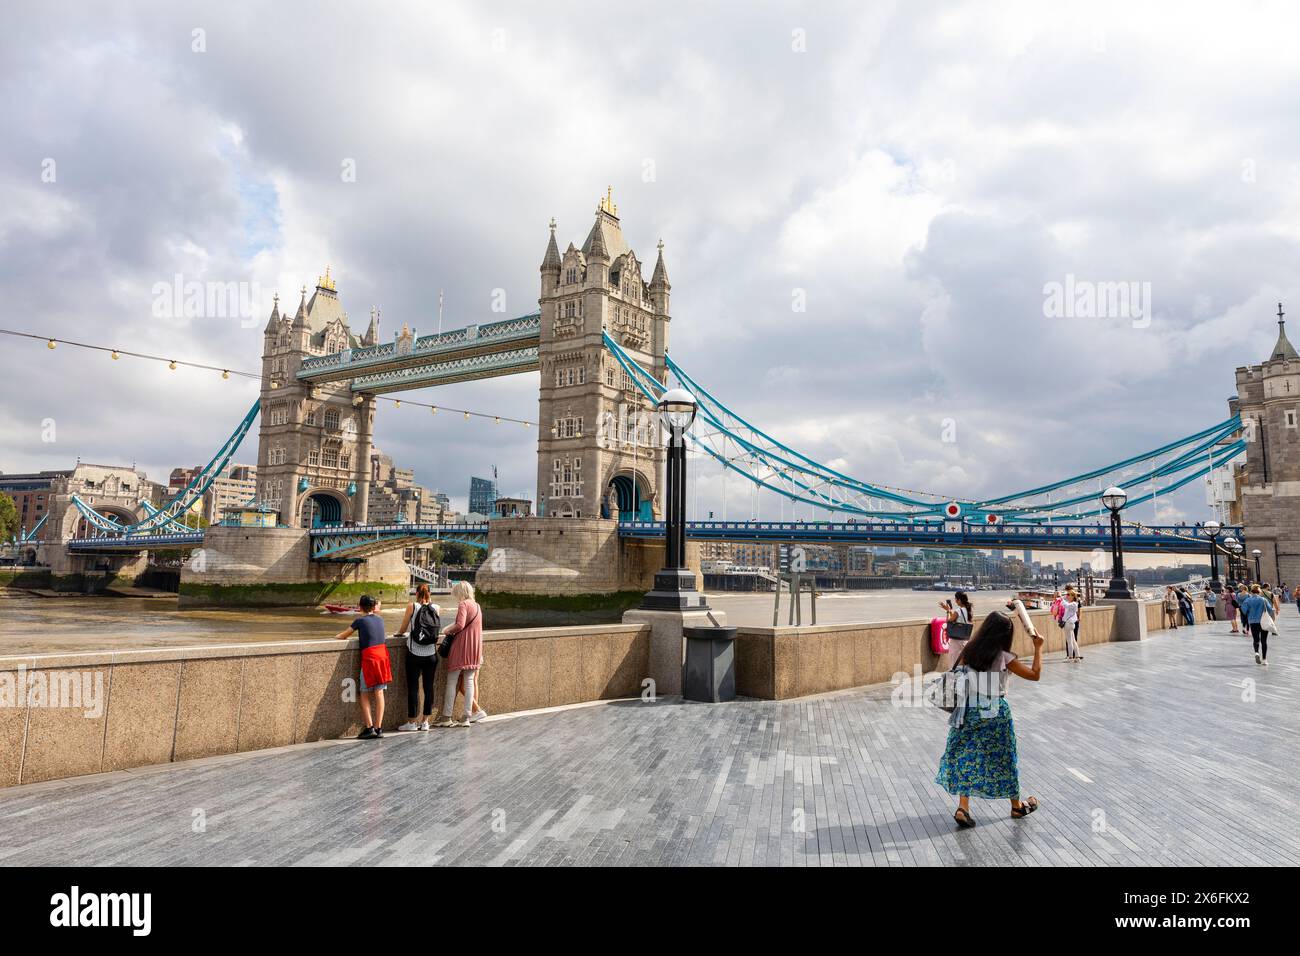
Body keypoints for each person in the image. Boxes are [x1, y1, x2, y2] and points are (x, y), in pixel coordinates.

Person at [936, 609, 1043, 828]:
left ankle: (963, 807)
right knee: (1004, 758)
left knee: (967, 756)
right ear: (1005, 635)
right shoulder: (1005, 658)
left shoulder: (968, 651)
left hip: (969, 710)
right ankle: (1016, 806)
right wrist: (1038, 648)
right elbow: (1035, 675)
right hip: (995, 712)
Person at [333, 594, 391, 739]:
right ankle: (379, 729)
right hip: (382, 656)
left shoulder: (359, 620)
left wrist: (335, 637)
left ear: (360, 607)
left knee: (364, 693)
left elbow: (343, 635)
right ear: (373, 607)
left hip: (370, 658)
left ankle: (369, 728)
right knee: (379, 693)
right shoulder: (380, 620)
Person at [433, 581, 485, 727]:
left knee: (452, 681)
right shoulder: (477, 606)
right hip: (474, 647)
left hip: (461, 647)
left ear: (460, 593)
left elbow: (460, 625)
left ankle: (446, 717)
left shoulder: (463, 604)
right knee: (469, 683)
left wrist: (446, 630)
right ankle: (466, 717)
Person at [395, 583, 440, 732]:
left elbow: (403, 628)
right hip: (432, 655)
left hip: (414, 654)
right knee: (428, 688)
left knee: (413, 688)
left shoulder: (412, 606)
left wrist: (399, 634)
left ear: (416, 593)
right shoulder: (436, 608)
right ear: (430, 593)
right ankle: (425, 722)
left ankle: (412, 722)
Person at [1239, 584, 1271, 667]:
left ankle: (1256, 652)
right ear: (1259, 592)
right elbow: (1270, 609)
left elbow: (1244, 611)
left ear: (1251, 592)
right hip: (1263, 621)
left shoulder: (1247, 600)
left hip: (1253, 622)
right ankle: (1264, 659)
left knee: (1256, 639)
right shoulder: (1263, 600)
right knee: (1264, 641)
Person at [942, 591, 975, 663]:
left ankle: (953, 674)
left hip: (956, 639)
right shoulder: (969, 610)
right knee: (963, 661)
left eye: (956, 599)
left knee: (953, 661)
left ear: (959, 600)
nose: (955, 601)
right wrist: (950, 611)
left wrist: (948, 611)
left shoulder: (958, 611)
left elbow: (949, 622)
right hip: (965, 638)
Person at [1060, 587, 1081, 662]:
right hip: (1071, 623)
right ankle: (1077, 657)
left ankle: (1070, 657)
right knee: (1073, 640)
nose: (1067, 596)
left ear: (1073, 596)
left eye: (1069, 595)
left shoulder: (1073, 604)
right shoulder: (1073, 603)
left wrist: (1062, 598)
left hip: (1069, 623)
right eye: (1067, 594)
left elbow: (1065, 605)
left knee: (1069, 641)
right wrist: (1064, 596)